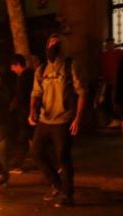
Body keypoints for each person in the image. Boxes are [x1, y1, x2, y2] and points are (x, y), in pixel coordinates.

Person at [29, 33, 86, 207]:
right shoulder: (42, 69)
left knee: (63, 156)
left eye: (56, 44)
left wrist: (77, 118)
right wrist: (31, 111)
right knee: (36, 152)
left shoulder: (70, 66)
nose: (51, 47)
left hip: (63, 119)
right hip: (45, 119)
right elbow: (36, 93)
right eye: (49, 43)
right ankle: (57, 184)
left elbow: (82, 92)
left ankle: (67, 194)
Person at [9, 54, 35, 168]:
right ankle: (38, 158)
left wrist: (14, 106)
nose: (11, 69)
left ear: (19, 65)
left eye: (13, 66)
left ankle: (18, 160)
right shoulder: (30, 75)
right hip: (29, 110)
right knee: (31, 136)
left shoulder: (24, 77)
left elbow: (20, 95)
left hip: (25, 111)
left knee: (23, 136)